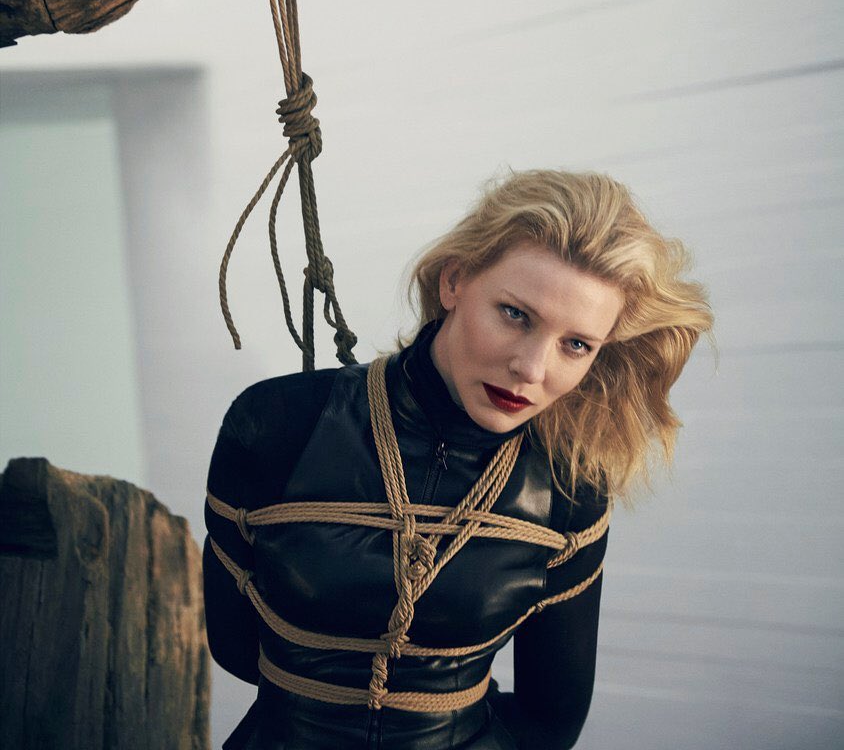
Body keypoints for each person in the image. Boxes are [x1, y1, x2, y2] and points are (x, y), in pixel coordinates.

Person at [204, 169, 712, 749]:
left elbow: (552, 719)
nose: (531, 368)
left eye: (576, 344)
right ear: (454, 281)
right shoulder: (275, 425)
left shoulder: (569, 486)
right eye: (515, 314)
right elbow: (232, 646)